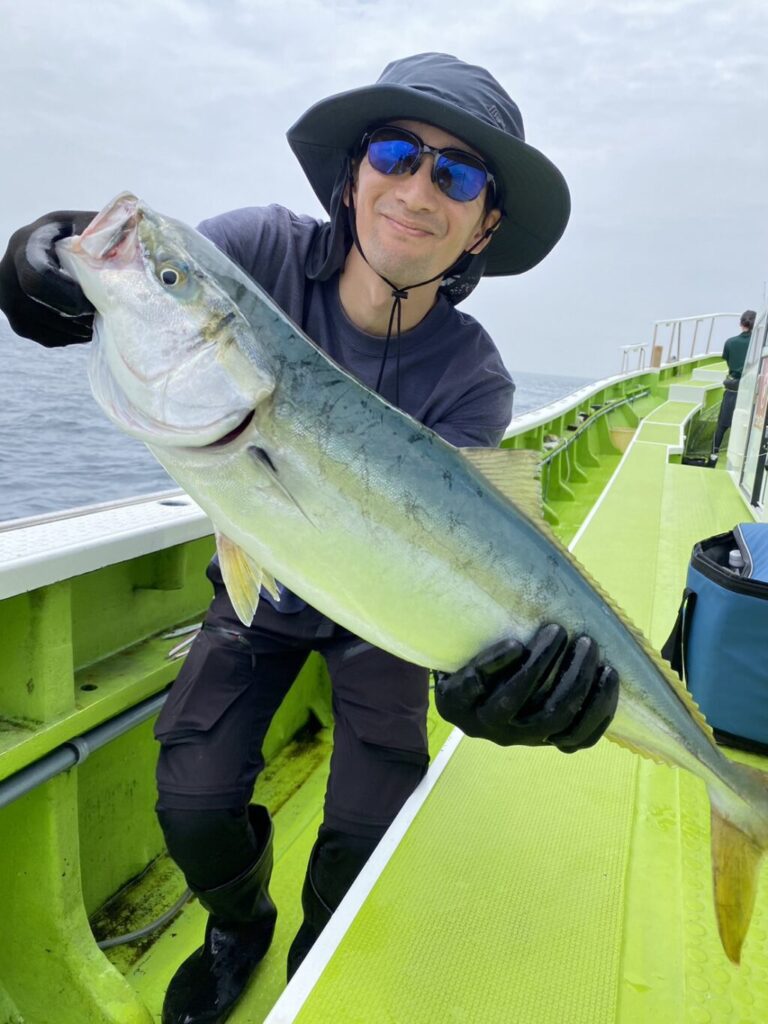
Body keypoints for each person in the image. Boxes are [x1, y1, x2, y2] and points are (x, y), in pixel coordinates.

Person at [0, 53, 620, 1024]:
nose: (417, 189)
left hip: (381, 612)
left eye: (456, 174)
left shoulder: (474, 376)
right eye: (395, 154)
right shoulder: (257, 252)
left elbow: (461, 551)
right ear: (353, 173)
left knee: (374, 819)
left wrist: (486, 675)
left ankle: (317, 951)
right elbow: (122, 296)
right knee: (193, 801)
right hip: (261, 578)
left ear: (485, 225)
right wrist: (43, 261)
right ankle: (237, 922)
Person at [710, 309, 756, 462]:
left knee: (722, 425)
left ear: (741, 323)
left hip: (732, 389)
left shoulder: (730, 342)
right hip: (750, 390)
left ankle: (713, 454)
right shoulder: (758, 345)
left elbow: (729, 361)